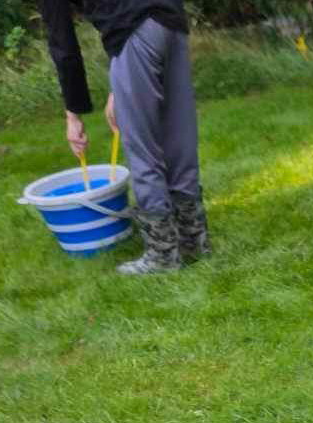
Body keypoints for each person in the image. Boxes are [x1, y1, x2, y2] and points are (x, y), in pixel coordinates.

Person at [38, 0, 211, 274]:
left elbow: (64, 44)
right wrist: (117, 82)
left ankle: (162, 256)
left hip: (135, 29)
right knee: (179, 139)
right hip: (171, 19)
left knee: (142, 147)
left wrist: (73, 114)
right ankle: (194, 240)